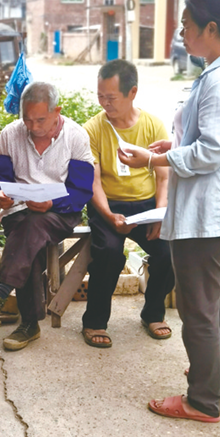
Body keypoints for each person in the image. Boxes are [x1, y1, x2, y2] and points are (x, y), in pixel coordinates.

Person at [118, 0, 220, 423]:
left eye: (185, 24)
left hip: (211, 215)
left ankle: (202, 399)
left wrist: (155, 157)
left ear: (211, 28)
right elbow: (216, 141)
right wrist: (176, 143)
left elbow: (212, 153)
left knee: (197, 306)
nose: (180, 32)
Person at [0, 82, 94, 350]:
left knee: (32, 226)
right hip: (18, 210)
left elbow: (81, 191)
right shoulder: (10, 134)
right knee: (27, 229)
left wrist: (52, 201)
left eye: (40, 119)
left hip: (60, 212)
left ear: (57, 112)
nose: (33, 126)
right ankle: (28, 324)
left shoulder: (76, 136)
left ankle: (5, 297)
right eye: (27, 119)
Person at [82, 59, 175, 348]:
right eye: (100, 96)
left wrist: (160, 214)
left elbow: (163, 178)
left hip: (147, 205)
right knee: (109, 253)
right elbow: (94, 181)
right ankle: (95, 322)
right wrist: (109, 215)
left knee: (169, 251)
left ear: (132, 92)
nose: (104, 103)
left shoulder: (152, 125)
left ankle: (153, 312)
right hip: (108, 205)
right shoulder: (93, 129)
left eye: (111, 97)